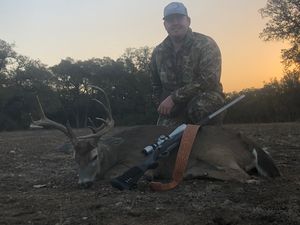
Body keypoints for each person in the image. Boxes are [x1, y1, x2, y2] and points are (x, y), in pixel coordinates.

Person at [150, 2, 225, 127]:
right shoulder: (158, 52)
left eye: (179, 18)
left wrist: (174, 98)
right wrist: (161, 105)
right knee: (162, 136)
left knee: (200, 108)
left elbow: (209, 80)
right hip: (175, 107)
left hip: (204, 100)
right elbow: (155, 85)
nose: (175, 23)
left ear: (188, 21)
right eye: (170, 20)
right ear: (165, 25)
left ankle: (212, 139)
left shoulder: (206, 44)